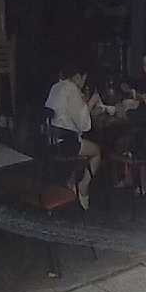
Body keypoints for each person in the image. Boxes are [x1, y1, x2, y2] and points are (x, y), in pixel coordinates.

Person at [44, 62, 101, 209]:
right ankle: (83, 186)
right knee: (96, 151)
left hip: (50, 142)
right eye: (83, 79)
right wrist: (91, 103)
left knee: (81, 149)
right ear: (77, 77)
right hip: (65, 144)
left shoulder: (56, 87)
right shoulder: (71, 89)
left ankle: (70, 184)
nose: (83, 83)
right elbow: (84, 125)